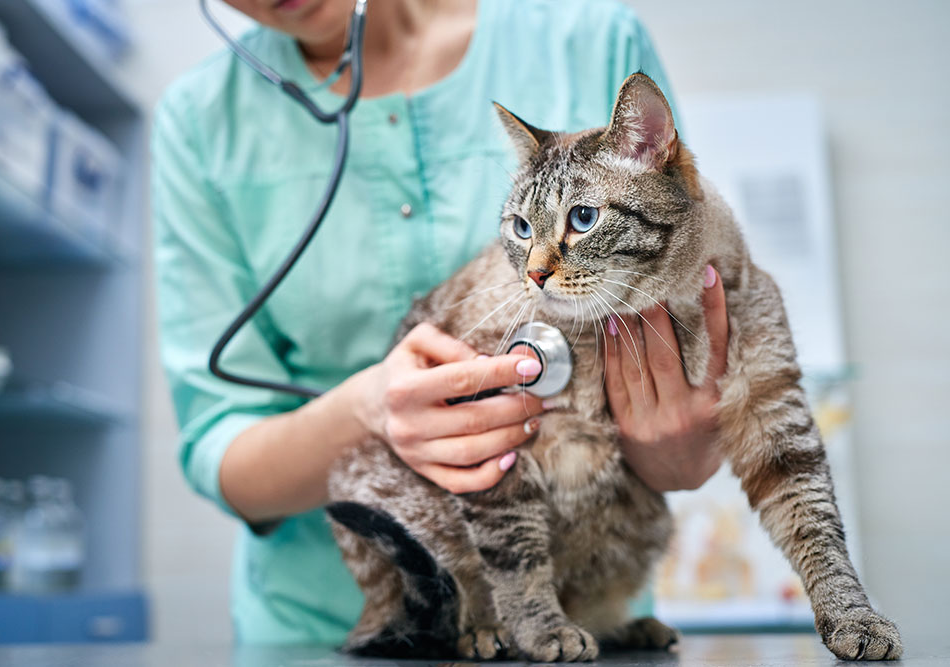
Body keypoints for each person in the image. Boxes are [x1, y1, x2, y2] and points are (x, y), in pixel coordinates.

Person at [152, 0, 729, 645]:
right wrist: (367, 414)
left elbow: (686, 299)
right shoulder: (201, 121)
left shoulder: (591, 42)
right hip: (324, 632)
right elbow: (217, 446)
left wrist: (686, 447)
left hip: (587, 613)